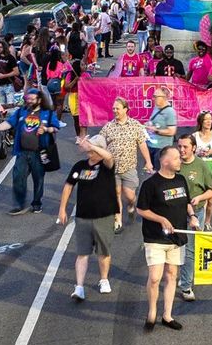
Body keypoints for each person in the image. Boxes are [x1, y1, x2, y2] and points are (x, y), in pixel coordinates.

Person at [136, 145, 201, 332]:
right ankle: (152, 312)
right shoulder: (151, 184)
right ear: (165, 162)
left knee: (172, 275)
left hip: (177, 237)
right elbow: (142, 209)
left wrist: (192, 216)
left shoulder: (180, 180)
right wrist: (161, 219)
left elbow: (187, 203)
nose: (180, 160)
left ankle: (167, 315)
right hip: (155, 238)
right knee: (155, 277)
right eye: (176, 158)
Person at [57, 135, 117, 301]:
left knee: (103, 251)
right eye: (88, 149)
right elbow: (68, 186)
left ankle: (104, 279)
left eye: (92, 150)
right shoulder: (80, 166)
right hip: (83, 216)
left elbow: (109, 157)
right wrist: (62, 209)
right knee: (82, 253)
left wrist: (91, 145)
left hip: (103, 216)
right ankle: (79, 287)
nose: (89, 153)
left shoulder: (106, 166)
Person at [0, 89, 60, 215]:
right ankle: (19, 204)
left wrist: (46, 129)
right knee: (18, 177)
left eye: (32, 99)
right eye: (28, 99)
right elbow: (9, 123)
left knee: (38, 179)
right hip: (22, 152)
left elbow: (56, 127)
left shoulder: (48, 113)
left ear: (39, 100)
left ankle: (36, 203)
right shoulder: (21, 111)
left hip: (39, 153)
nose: (29, 101)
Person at [100, 97, 154, 234]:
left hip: (129, 167)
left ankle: (131, 205)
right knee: (116, 193)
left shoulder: (135, 125)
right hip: (112, 168)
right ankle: (118, 221)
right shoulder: (108, 127)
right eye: (113, 108)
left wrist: (148, 161)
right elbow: (100, 144)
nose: (115, 111)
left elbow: (142, 144)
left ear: (125, 109)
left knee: (129, 195)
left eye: (117, 108)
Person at [175, 134, 212, 303]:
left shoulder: (200, 165)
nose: (182, 150)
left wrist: (199, 198)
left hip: (196, 213)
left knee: (189, 249)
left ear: (193, 147)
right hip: (175, 213)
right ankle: (176, 276)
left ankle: (186, 285)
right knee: (174, 248)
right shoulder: (174, 163)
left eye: (185, 147)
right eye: (179, 146)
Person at [144, 88, 177, 170]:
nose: (153, 98)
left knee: (160, 172)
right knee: (152, 171)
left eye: (155, 96)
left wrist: (155, 130)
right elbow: (152, 121)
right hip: (152, 145)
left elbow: (172, 131)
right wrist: (149, 124)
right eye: (153, 96)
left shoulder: (170, 112)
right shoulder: (156, 108)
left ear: (164, 97)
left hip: (162, 148)